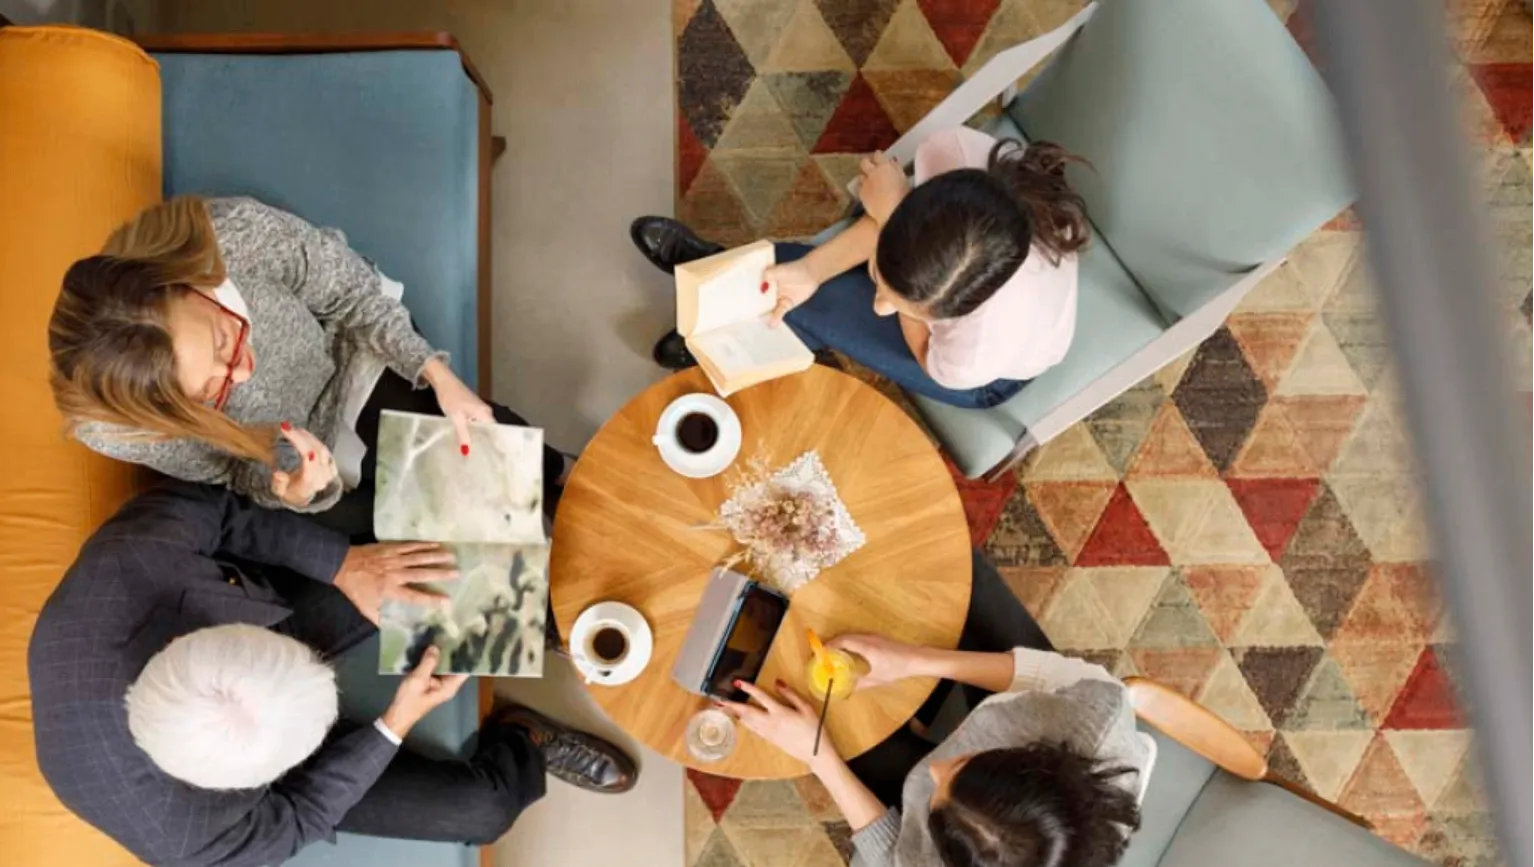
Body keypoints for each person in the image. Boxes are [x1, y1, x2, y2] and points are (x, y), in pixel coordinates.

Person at [29, 481, 637, 867]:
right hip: (283, 785)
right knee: (484, 813)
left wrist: (344, 566)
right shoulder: (186, 839)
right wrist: (392, 724)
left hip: (261, 611)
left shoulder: (130, 559)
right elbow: (300, 816)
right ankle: (523, 737)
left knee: (427, 564)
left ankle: (529, 618)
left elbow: (225, 513)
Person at [47, 196, 568, 538]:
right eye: (208, 392)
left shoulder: (231, 238)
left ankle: (561, 473)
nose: (242, 374)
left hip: (345, 356)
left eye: (225, 338)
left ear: (184, 281)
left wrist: (437, 373)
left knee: (492, 450)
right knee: (445, 544)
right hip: (294, 460)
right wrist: (292, 489)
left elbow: (352, 296)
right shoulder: (121, 428)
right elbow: (230, 470)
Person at [713, 552, 1150, 867]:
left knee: (836, 726)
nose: (934, 769)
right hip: (1029, 699)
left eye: (937, 801)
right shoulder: (1096, 721)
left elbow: (892, 857)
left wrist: (818, 755)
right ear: (1031, 759)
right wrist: (915, 660)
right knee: (959, 569)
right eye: (962, 762)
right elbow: (1052, 675)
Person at [631, 126, 1090, 409]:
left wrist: (884, 218)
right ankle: (727, 310)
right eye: (883, 287)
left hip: (975, 374)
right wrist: (814, 269)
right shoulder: (955, 152)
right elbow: (904, 227)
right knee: (806, 280)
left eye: (898, 302)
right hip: (948, 299)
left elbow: (928, 351)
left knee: (816, 303)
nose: (880, 306)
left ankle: (715, 305)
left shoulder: (973, 353)